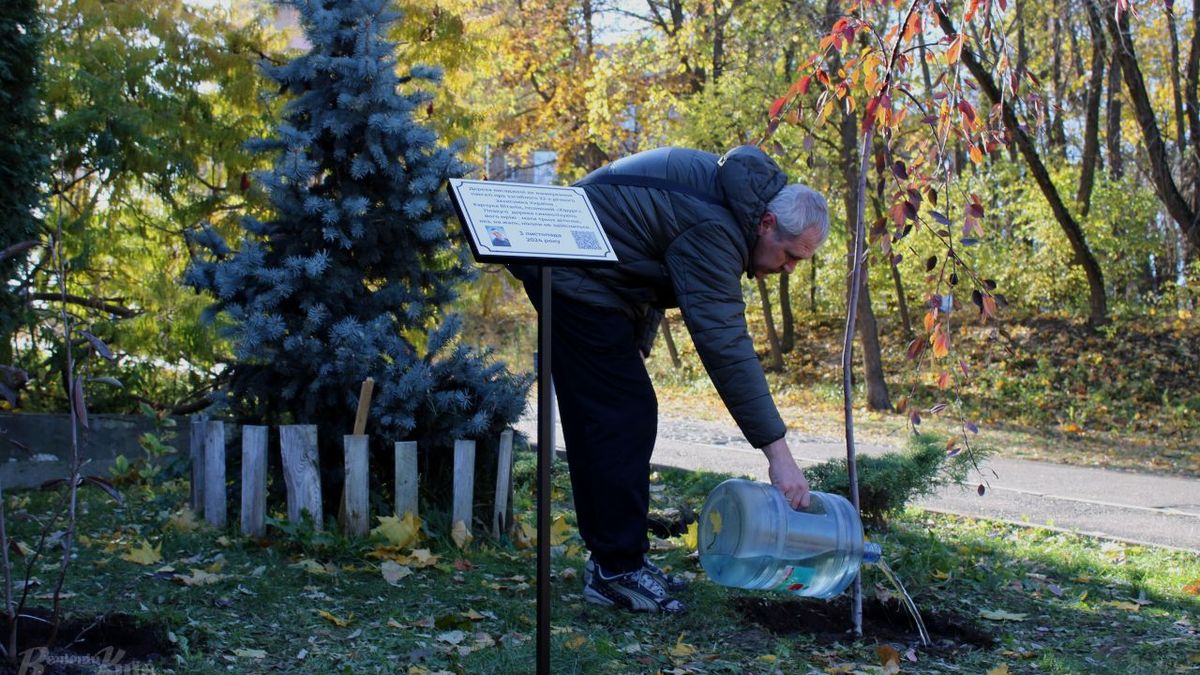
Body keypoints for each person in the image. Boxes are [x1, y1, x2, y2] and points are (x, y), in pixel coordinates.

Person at [510, 145, 830, 614]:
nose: (787, 270)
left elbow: (651, 258)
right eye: (788, 256)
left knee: (617, 412)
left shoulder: (729, 200)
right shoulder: (718, 226)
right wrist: (778, 455)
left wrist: (634, 343)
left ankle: (619, 561)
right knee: (622, 415)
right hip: (568, 270)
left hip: (590, 276)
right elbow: (724, 344)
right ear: (766, 225)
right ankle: (615, 571)